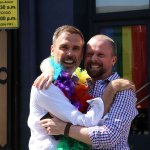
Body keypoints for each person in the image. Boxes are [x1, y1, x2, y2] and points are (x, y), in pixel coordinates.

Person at [39, 34, 138, 149]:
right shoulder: (78, 80)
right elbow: (51, 60)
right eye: (89, 54)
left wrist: (64, 128)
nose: (94, 59)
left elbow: (109, 137)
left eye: (100, 55)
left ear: (113, 60)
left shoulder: (123, 90)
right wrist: (49, 70)